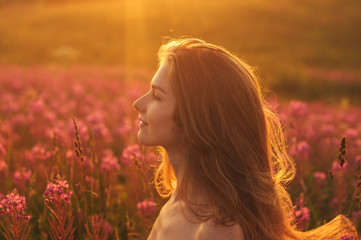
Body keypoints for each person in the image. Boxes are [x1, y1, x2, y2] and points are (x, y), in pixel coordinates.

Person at [133, 38, 357, 240]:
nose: (138, 104)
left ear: (197, 118)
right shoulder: (181, 205)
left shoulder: (216, 231)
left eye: (157, 96)